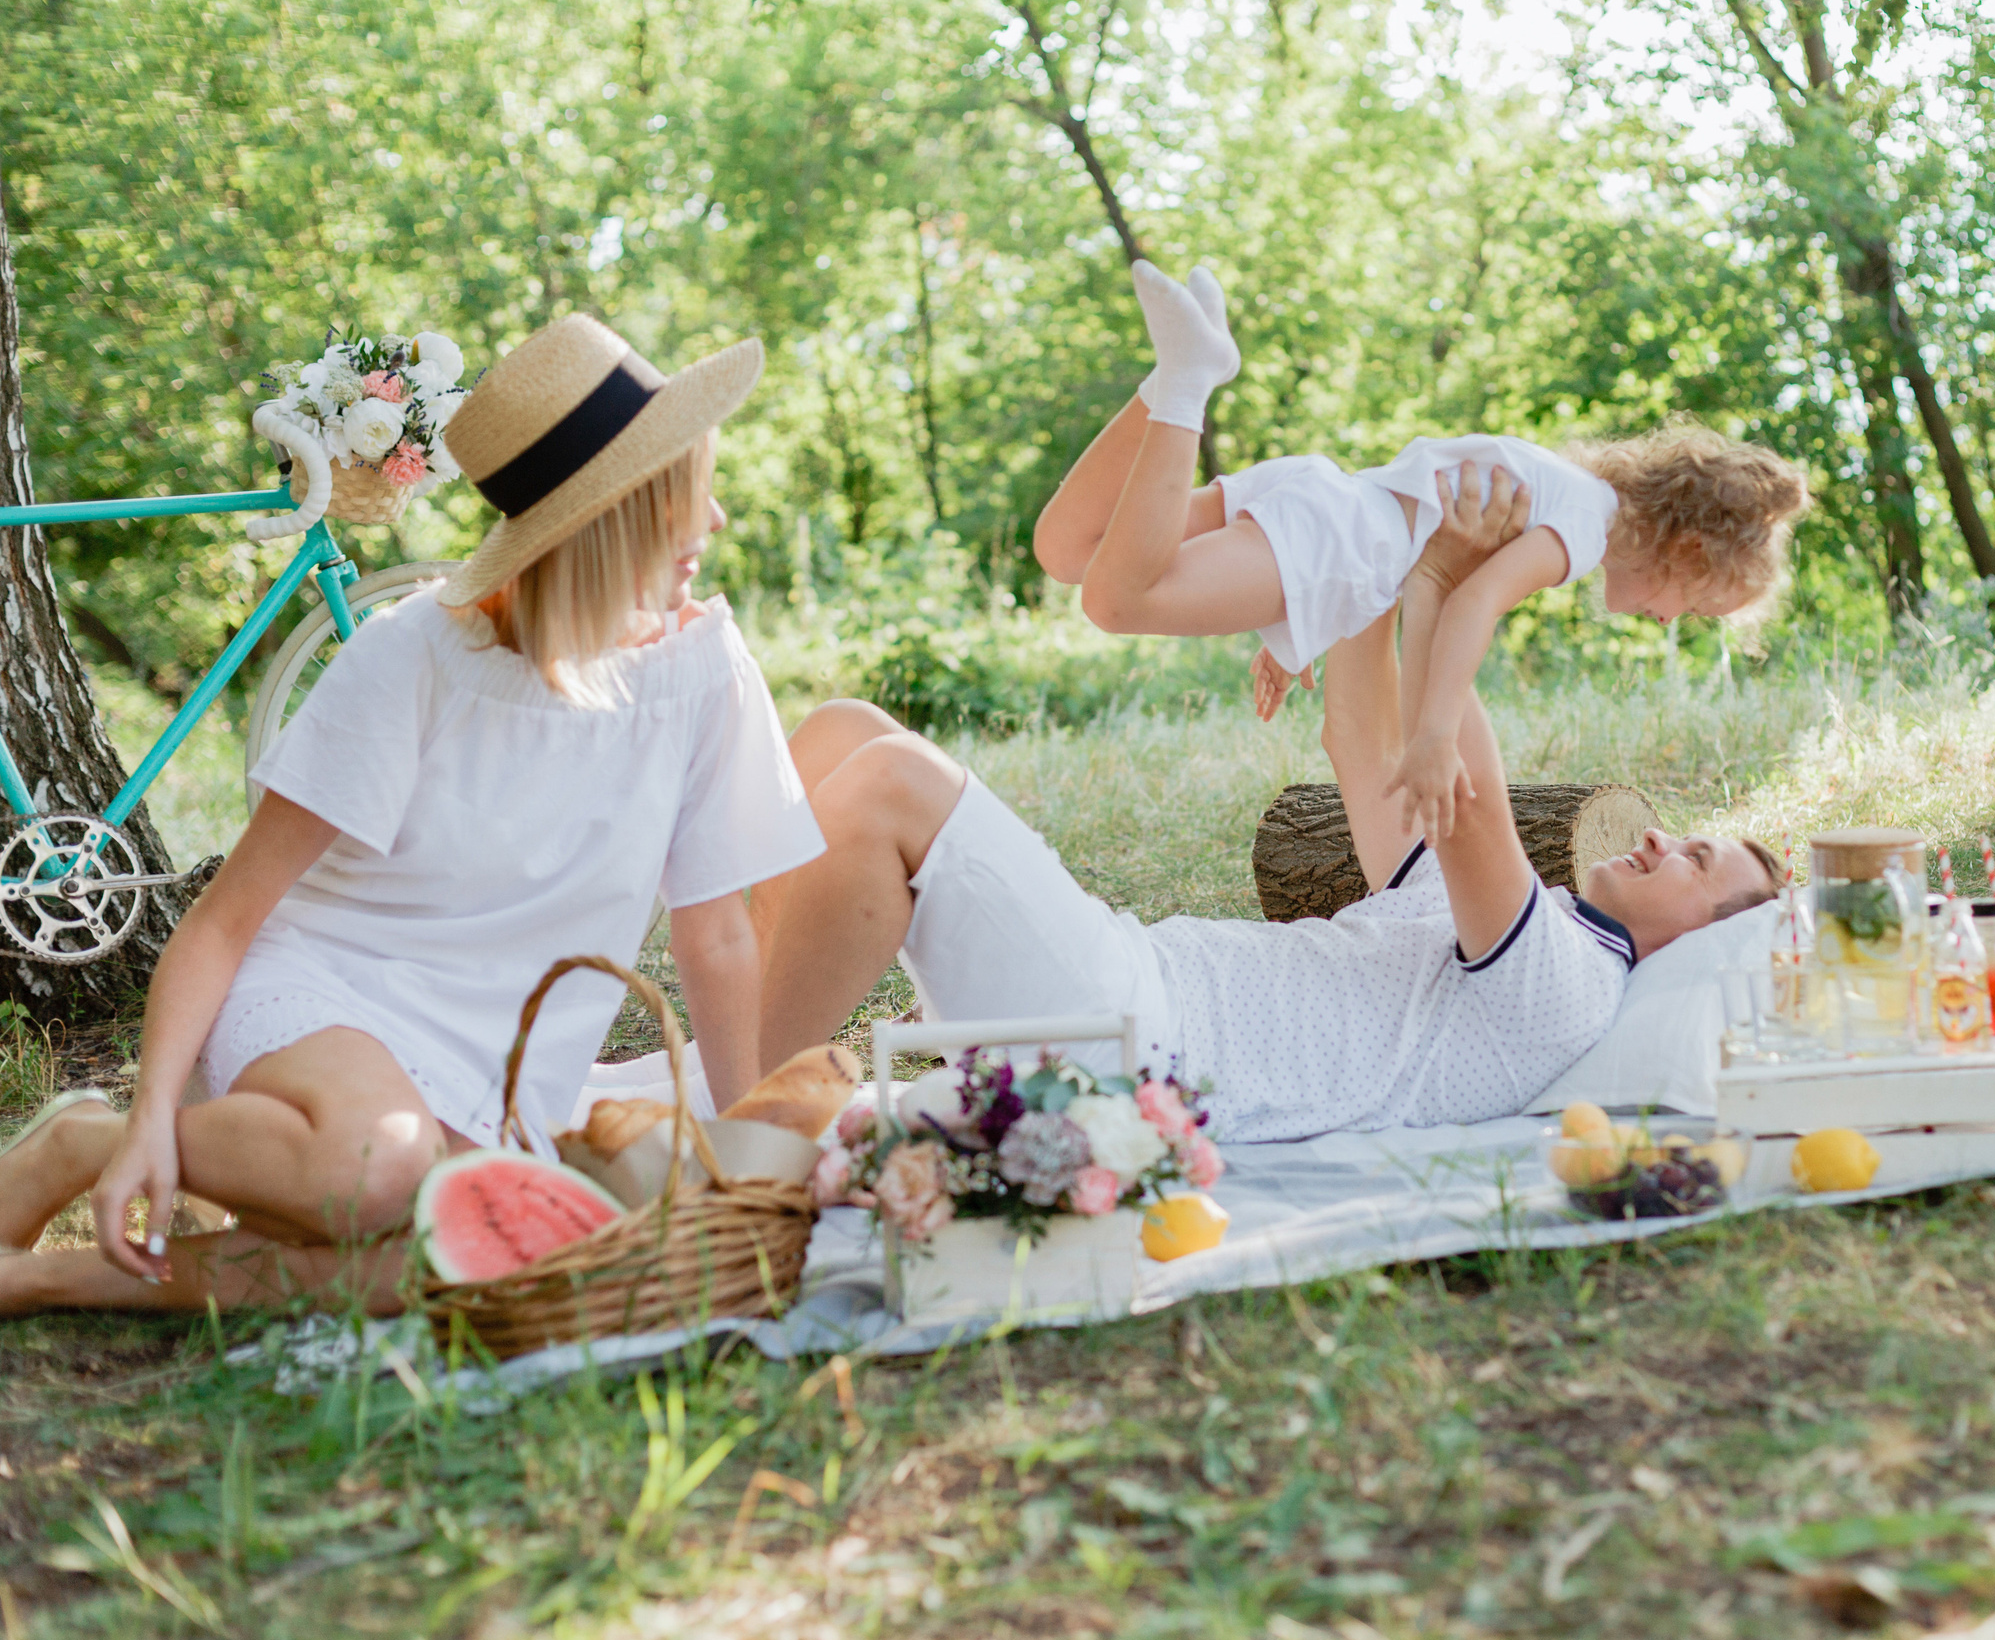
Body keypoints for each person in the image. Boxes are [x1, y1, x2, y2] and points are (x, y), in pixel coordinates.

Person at [0, 315, 824, 1316]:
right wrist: (146, 1117)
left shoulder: (701, 675)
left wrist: (738, 1163)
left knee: (452, 1257)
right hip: (328, 993)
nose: (719, 523)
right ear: (614, 517)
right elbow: (226, 918)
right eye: (692, 498)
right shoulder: (412, 659)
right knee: (379, 1169)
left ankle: (52, 1283)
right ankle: (85, 1143)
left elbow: (719, 934)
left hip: (502, 1055)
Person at [758, 463, 1781, 1142]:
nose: (1659, 839)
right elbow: (1359, 736)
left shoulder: (1568, 988)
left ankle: (737, 1128)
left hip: (1132, 1054)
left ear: (1695, 942)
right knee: (845, 732)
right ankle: (758, 1060)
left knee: (891, 786)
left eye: (1695, 861)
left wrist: (1443, 577)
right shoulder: (1498, 928)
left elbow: (1461, 790)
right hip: (1118, 981)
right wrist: (1374, 576)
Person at [1031, 261, 1810, 840]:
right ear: (1686, 551)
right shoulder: (1580, 530)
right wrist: (1434, 734)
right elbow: (1469, 598)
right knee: (1114, 599)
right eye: (1697, 605)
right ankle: (1189, 381)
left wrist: (1296, 618)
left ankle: (1173, 370)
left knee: (1067, 546)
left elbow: (1413, 523)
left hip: (1326, 499)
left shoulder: (1565, 484)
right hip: (1339, 541)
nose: (1674, 619)